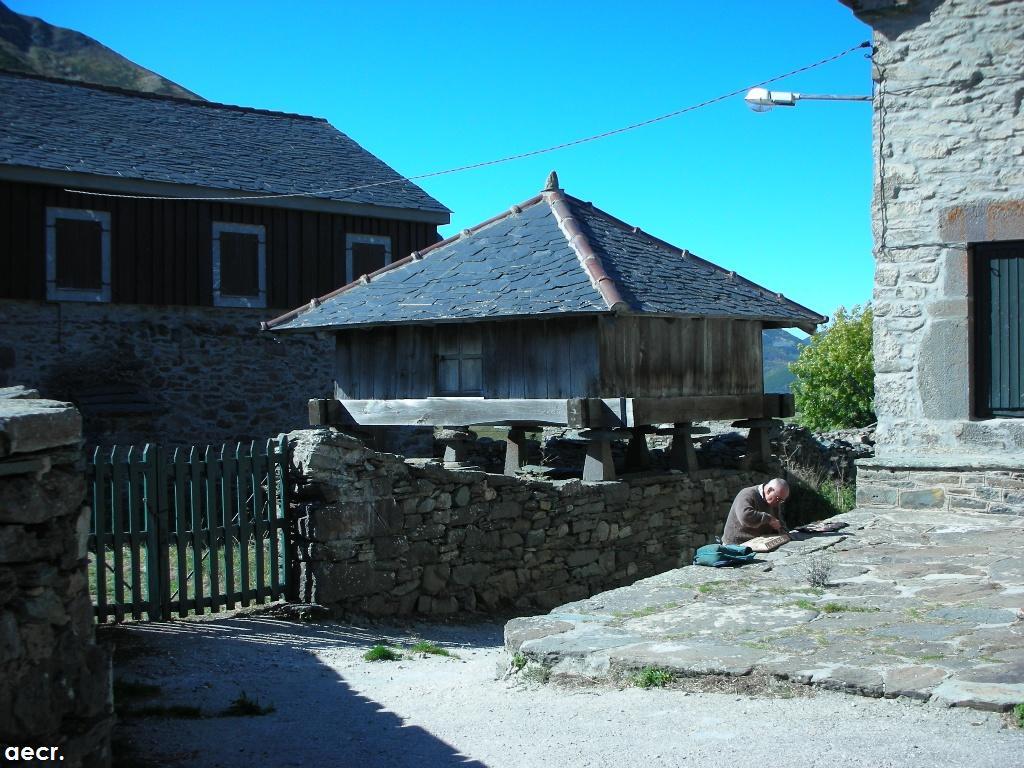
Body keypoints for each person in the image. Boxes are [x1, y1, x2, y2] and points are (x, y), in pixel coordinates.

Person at [722, 478, 790, 545]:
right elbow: (745, 517)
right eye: (778, 499)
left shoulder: (774, 503)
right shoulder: (747, 494)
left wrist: (783, 530)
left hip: (757, 543)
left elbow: (778, 521)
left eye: (782, 501)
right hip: (736, 544)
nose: (779, 503)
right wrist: (768, 519)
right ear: (769, 490)